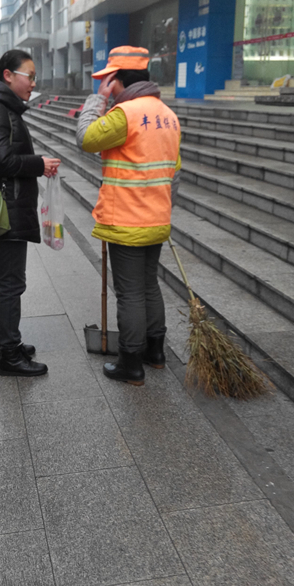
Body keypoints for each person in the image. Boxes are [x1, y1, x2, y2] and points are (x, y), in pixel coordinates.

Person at [76, 46, 181, 386]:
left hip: (127, 221)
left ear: (117, 80)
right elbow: (174, 173)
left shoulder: (126, 115)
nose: (106, 87)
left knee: (130, 293)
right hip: (156, 219)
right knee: (149, 285)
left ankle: (131, 363)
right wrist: (162, 208)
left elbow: (87, 139)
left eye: (108, 81)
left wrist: (96, 102)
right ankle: (156, 352)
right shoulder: (168, 115)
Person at [0, 49, 60, 377]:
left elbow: (5, 155)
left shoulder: (0, 106)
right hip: (6, 206)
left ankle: (2, 342)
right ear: (8, 75)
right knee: (12, 282)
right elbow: (1, 160)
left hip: (8, 203)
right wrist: (39, 164)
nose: (33, 83)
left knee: (6, 279)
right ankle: (10, 355)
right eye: (30, 76)